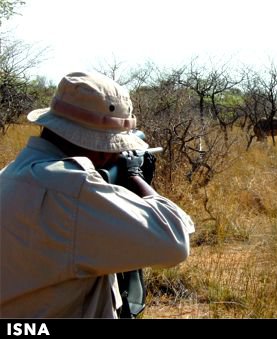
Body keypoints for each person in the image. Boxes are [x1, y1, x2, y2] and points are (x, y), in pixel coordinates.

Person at [0, 71, 195, 318]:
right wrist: (134, 176)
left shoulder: (10, 174)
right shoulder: (73, 187)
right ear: (104, 152)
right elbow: (174, 242)